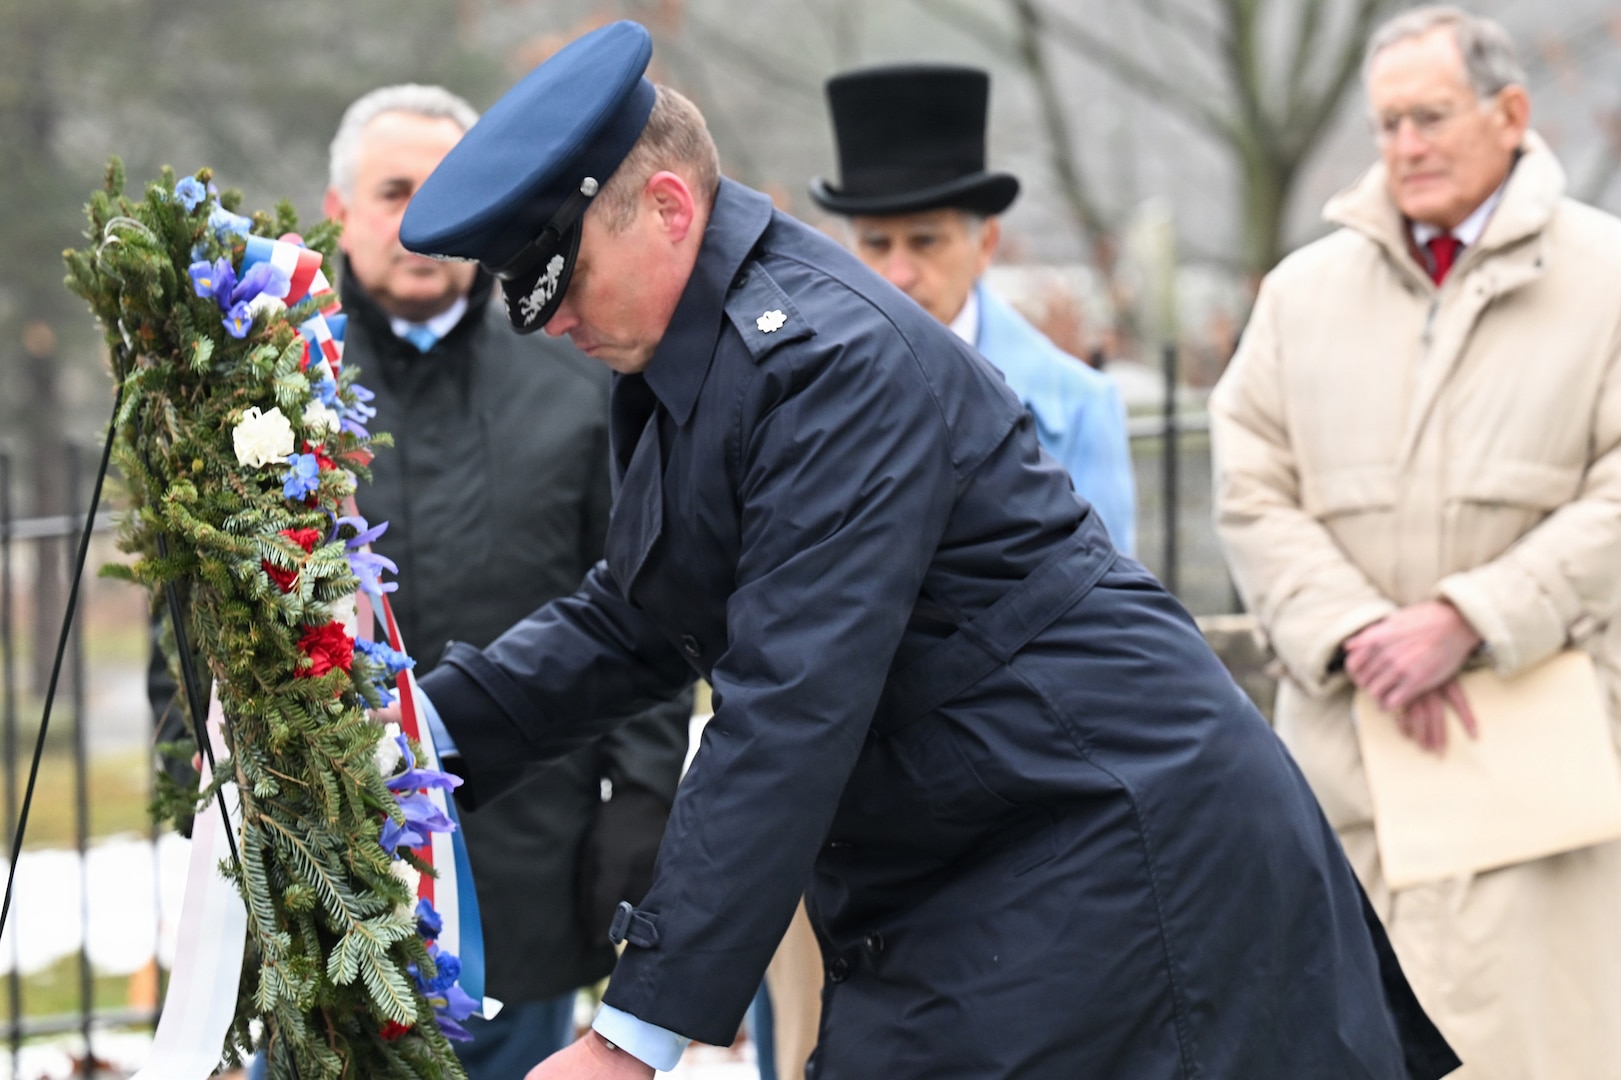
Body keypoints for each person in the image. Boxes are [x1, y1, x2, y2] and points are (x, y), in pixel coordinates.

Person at [392, 19, 1459, 1079]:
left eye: (559, 279)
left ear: (667, 209)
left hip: (1102, 855)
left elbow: (786, 707)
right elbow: (638, 616)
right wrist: (414, 733)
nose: (546, 322)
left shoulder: (826, 365)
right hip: (998, 860)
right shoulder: (704, 356)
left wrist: (632, 1036)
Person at [1210, 7, 1621, 1076]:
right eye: (1387, 122)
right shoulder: (1300, 296)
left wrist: (1467, 619)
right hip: (1347, 769)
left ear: (1510, 113)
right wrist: (1354, 630)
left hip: (1544, 771)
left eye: (1430, 117)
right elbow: (1248, 483)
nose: (1405, 146)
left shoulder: (1607, 280)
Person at [320, 84, 691, 1079]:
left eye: (443, 191)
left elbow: (645, 608)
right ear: (337, 209)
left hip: (523, 880)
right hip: (320, 887)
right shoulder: (281, 391)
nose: (419, 223)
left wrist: (641, 803)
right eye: (393, 191)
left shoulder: (579, 375)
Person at [810, 64, 1137, 556]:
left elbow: (1112, 612)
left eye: (925, 241)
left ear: (985, 244)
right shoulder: (805, 393)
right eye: (876, 243)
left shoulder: (1077, 408)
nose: (898, 273)